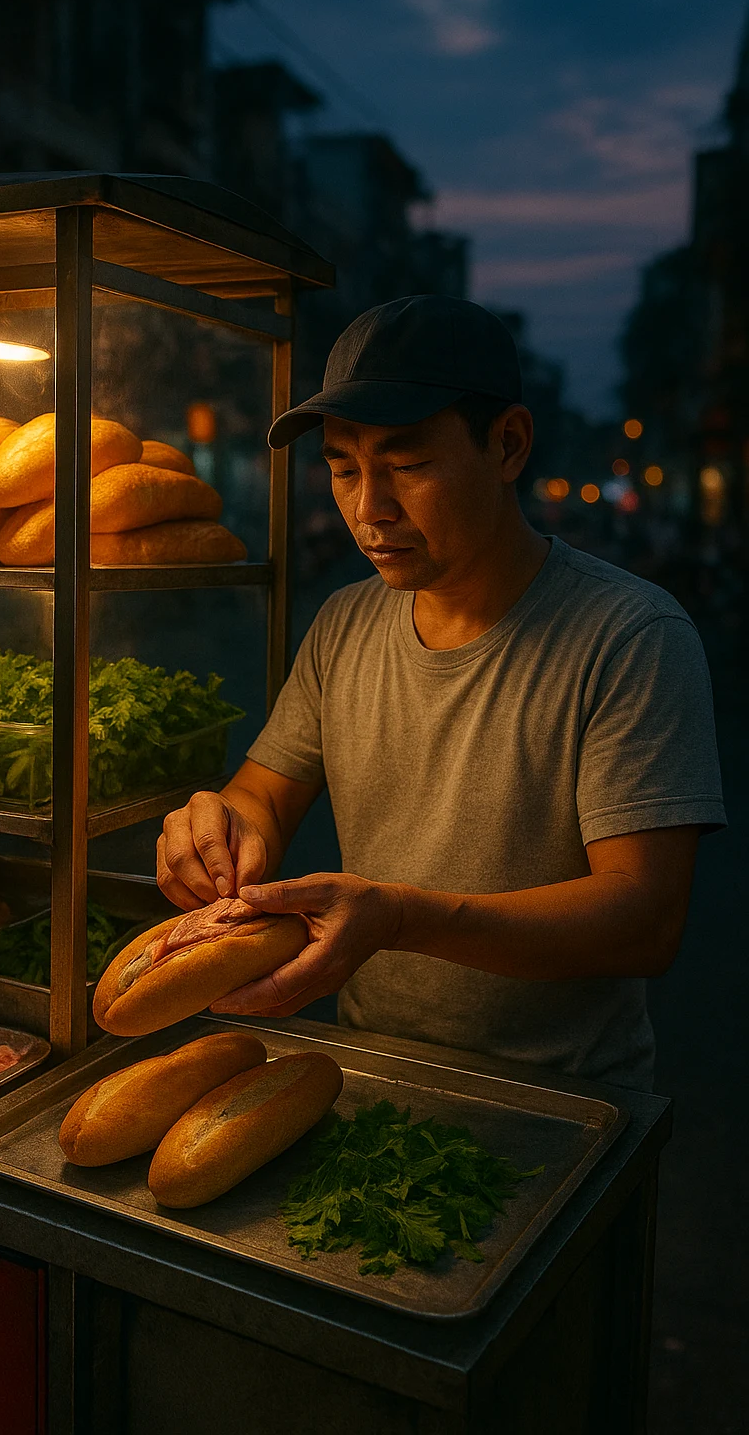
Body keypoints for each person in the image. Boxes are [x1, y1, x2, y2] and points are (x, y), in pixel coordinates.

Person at [156, 295, 725, 1091]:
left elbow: (645, 920)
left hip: (567, 1104)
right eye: (344, 468)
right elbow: (266, 793)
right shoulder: (345, 622)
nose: (368, 510)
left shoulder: (630, 636)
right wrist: (220, 826)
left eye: (409, 465)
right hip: (376, 1076)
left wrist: (400, 918)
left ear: (509, 444)